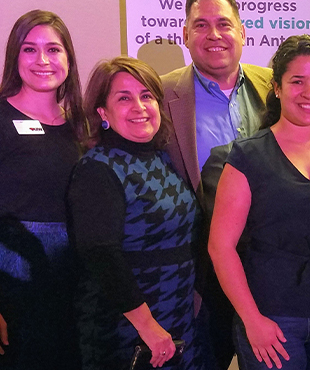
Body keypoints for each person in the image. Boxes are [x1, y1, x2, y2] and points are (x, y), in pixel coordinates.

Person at [208, 34, 310, 370]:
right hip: (271, 319)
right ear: (278, 87)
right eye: (297, 81)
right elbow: (220, 247)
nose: (309, 93)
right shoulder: (247, 156)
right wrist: (251, 319)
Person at [0, 9, 84, 370]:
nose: (43, 60)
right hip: (10, 284)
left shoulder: (81, 127)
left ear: (69, 60)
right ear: (15, 57)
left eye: (54, 50)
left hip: (71, 282)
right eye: (30, 49)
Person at [159, 0, 274, 369]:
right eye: (201, 25)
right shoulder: (159, 94)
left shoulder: (275, 85)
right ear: (185, 35)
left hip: (268, 260)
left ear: (243, 32)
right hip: (200, 269)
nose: (214, 35)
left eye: (224, 24)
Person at [68, 57, 208, 369]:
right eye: (124, 98)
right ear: (102, 112)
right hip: (126, 329)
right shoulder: (98, 168)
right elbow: (101, 254)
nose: (139, 106)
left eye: (146, 96)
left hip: (177, 319)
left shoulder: (161, 159)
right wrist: (148, 327)